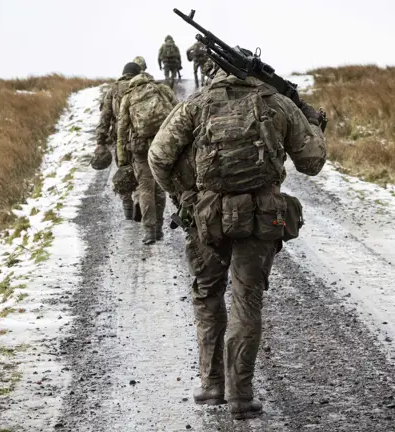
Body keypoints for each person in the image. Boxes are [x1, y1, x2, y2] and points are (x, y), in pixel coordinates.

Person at [148, 69, 327, 419]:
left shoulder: (195, 104)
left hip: (207, 216)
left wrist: (184, 197)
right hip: (260, 218)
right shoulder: (278, 103)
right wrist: (314, 123)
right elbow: (312, 162)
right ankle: (241, 398)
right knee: (247, 301)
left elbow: (158, 156)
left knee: (207, 294)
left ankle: (212, 385)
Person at [116, 63, 178, 244]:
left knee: (145, 188)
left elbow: (122, 129)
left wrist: (122, 159)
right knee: (159, 187)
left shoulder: (128, 96)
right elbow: (178, 111)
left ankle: (149, 231)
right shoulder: (160, 89)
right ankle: (159, 229)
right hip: (162, 144)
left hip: (140, 148)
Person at [96, 62, 145, 220]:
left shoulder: (113, 89)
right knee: (141, 168)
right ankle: (139, 198)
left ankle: (127, 204)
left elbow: (105, 116)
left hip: (120, 138)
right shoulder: (140, 86)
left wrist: (100, 140)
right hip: (139, 136)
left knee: (123, 169)